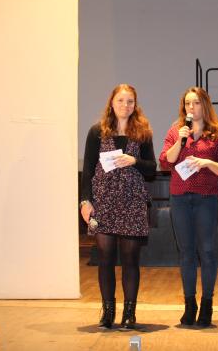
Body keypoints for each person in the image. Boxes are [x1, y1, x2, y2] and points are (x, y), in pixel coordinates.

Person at [80, 84, 156, 330]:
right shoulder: (97, 132)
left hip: (132, 202)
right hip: (104, 202)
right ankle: (108, 311)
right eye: (121, 100)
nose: (125, 105)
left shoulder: (142, 133)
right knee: (105, 259)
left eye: (130, 101)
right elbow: (88, 170)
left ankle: (129, 313)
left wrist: (134, 160)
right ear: (112, 103)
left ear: (135, 105)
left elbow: (152, 169)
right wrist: (85, 201)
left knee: (130, 259)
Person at [159, 87, 218, 328]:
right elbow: (165, 162)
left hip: (206, 199)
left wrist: (207, 162)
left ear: (205, 105)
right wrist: (180, 141)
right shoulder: (176, 132)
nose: (191, 107)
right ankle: (189, 304)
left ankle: (207, 304)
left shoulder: (217, 134)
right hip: (180, 199)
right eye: (188, 103)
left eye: (197, 103)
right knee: (186, 253)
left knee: (207, 251)